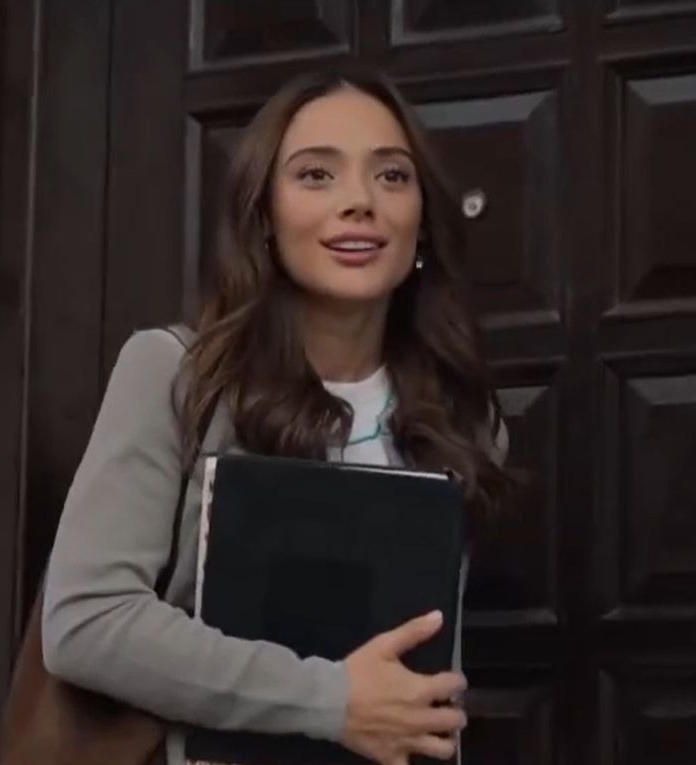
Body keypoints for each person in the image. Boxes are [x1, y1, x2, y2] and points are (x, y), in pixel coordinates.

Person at [38, 66, 515, 765]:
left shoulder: (465, 420)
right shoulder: (177, 375)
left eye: (391, 175)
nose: (359, 202)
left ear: (423, 220)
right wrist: (330, 701)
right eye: (316, 175)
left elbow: (430, 680)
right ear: (262, 215)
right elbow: (86, 620)